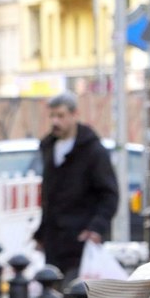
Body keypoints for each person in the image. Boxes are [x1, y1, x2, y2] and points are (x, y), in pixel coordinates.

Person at [35, 93, 119, 275]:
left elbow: (109, 194)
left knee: (75, 295)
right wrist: (41, 234)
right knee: (52, 297)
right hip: (54, 241)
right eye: (52, 116)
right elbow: (49, 195)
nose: (55, 121)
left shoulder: (93, 151)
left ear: (74, 115)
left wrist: (96, 229)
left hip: (80, 240)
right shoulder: (48, 147)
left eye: (61, 116)